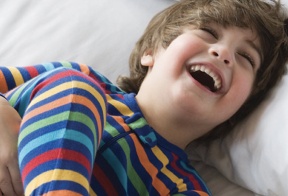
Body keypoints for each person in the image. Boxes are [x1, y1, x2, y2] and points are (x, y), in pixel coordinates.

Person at [0, 0, 287, 195]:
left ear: (238, 109)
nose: (223, 53)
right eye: (208, 32)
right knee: (77, 88)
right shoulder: (80, 78)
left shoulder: (181, 187)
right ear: (151, 50)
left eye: (246, 58)